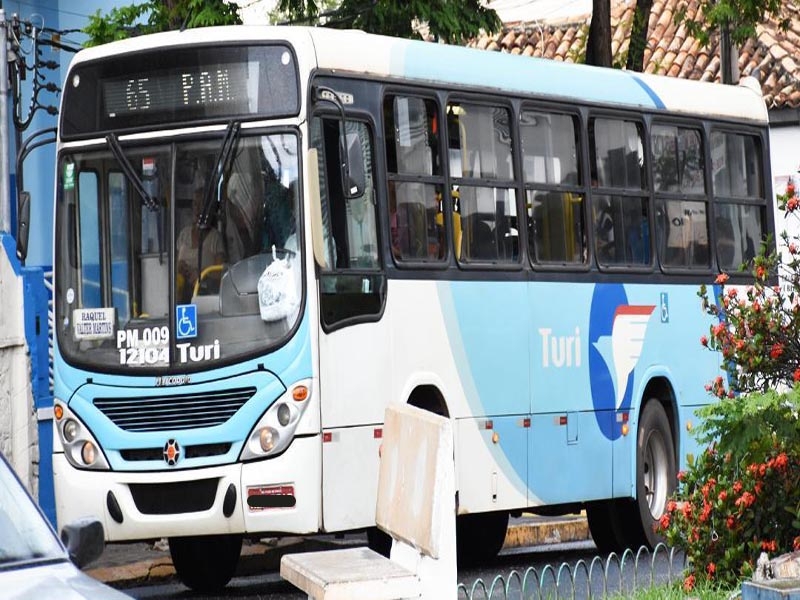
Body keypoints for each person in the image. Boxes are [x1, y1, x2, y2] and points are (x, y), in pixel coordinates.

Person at [176, 191, 225, 303]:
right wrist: (180, 268)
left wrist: (200, 274)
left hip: (205, 297)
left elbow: (220, 274)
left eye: (202, 204)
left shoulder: (215, 238)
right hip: (181, 297)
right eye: (195, 204)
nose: (198, 209)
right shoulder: (184, 235)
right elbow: (173, 268)